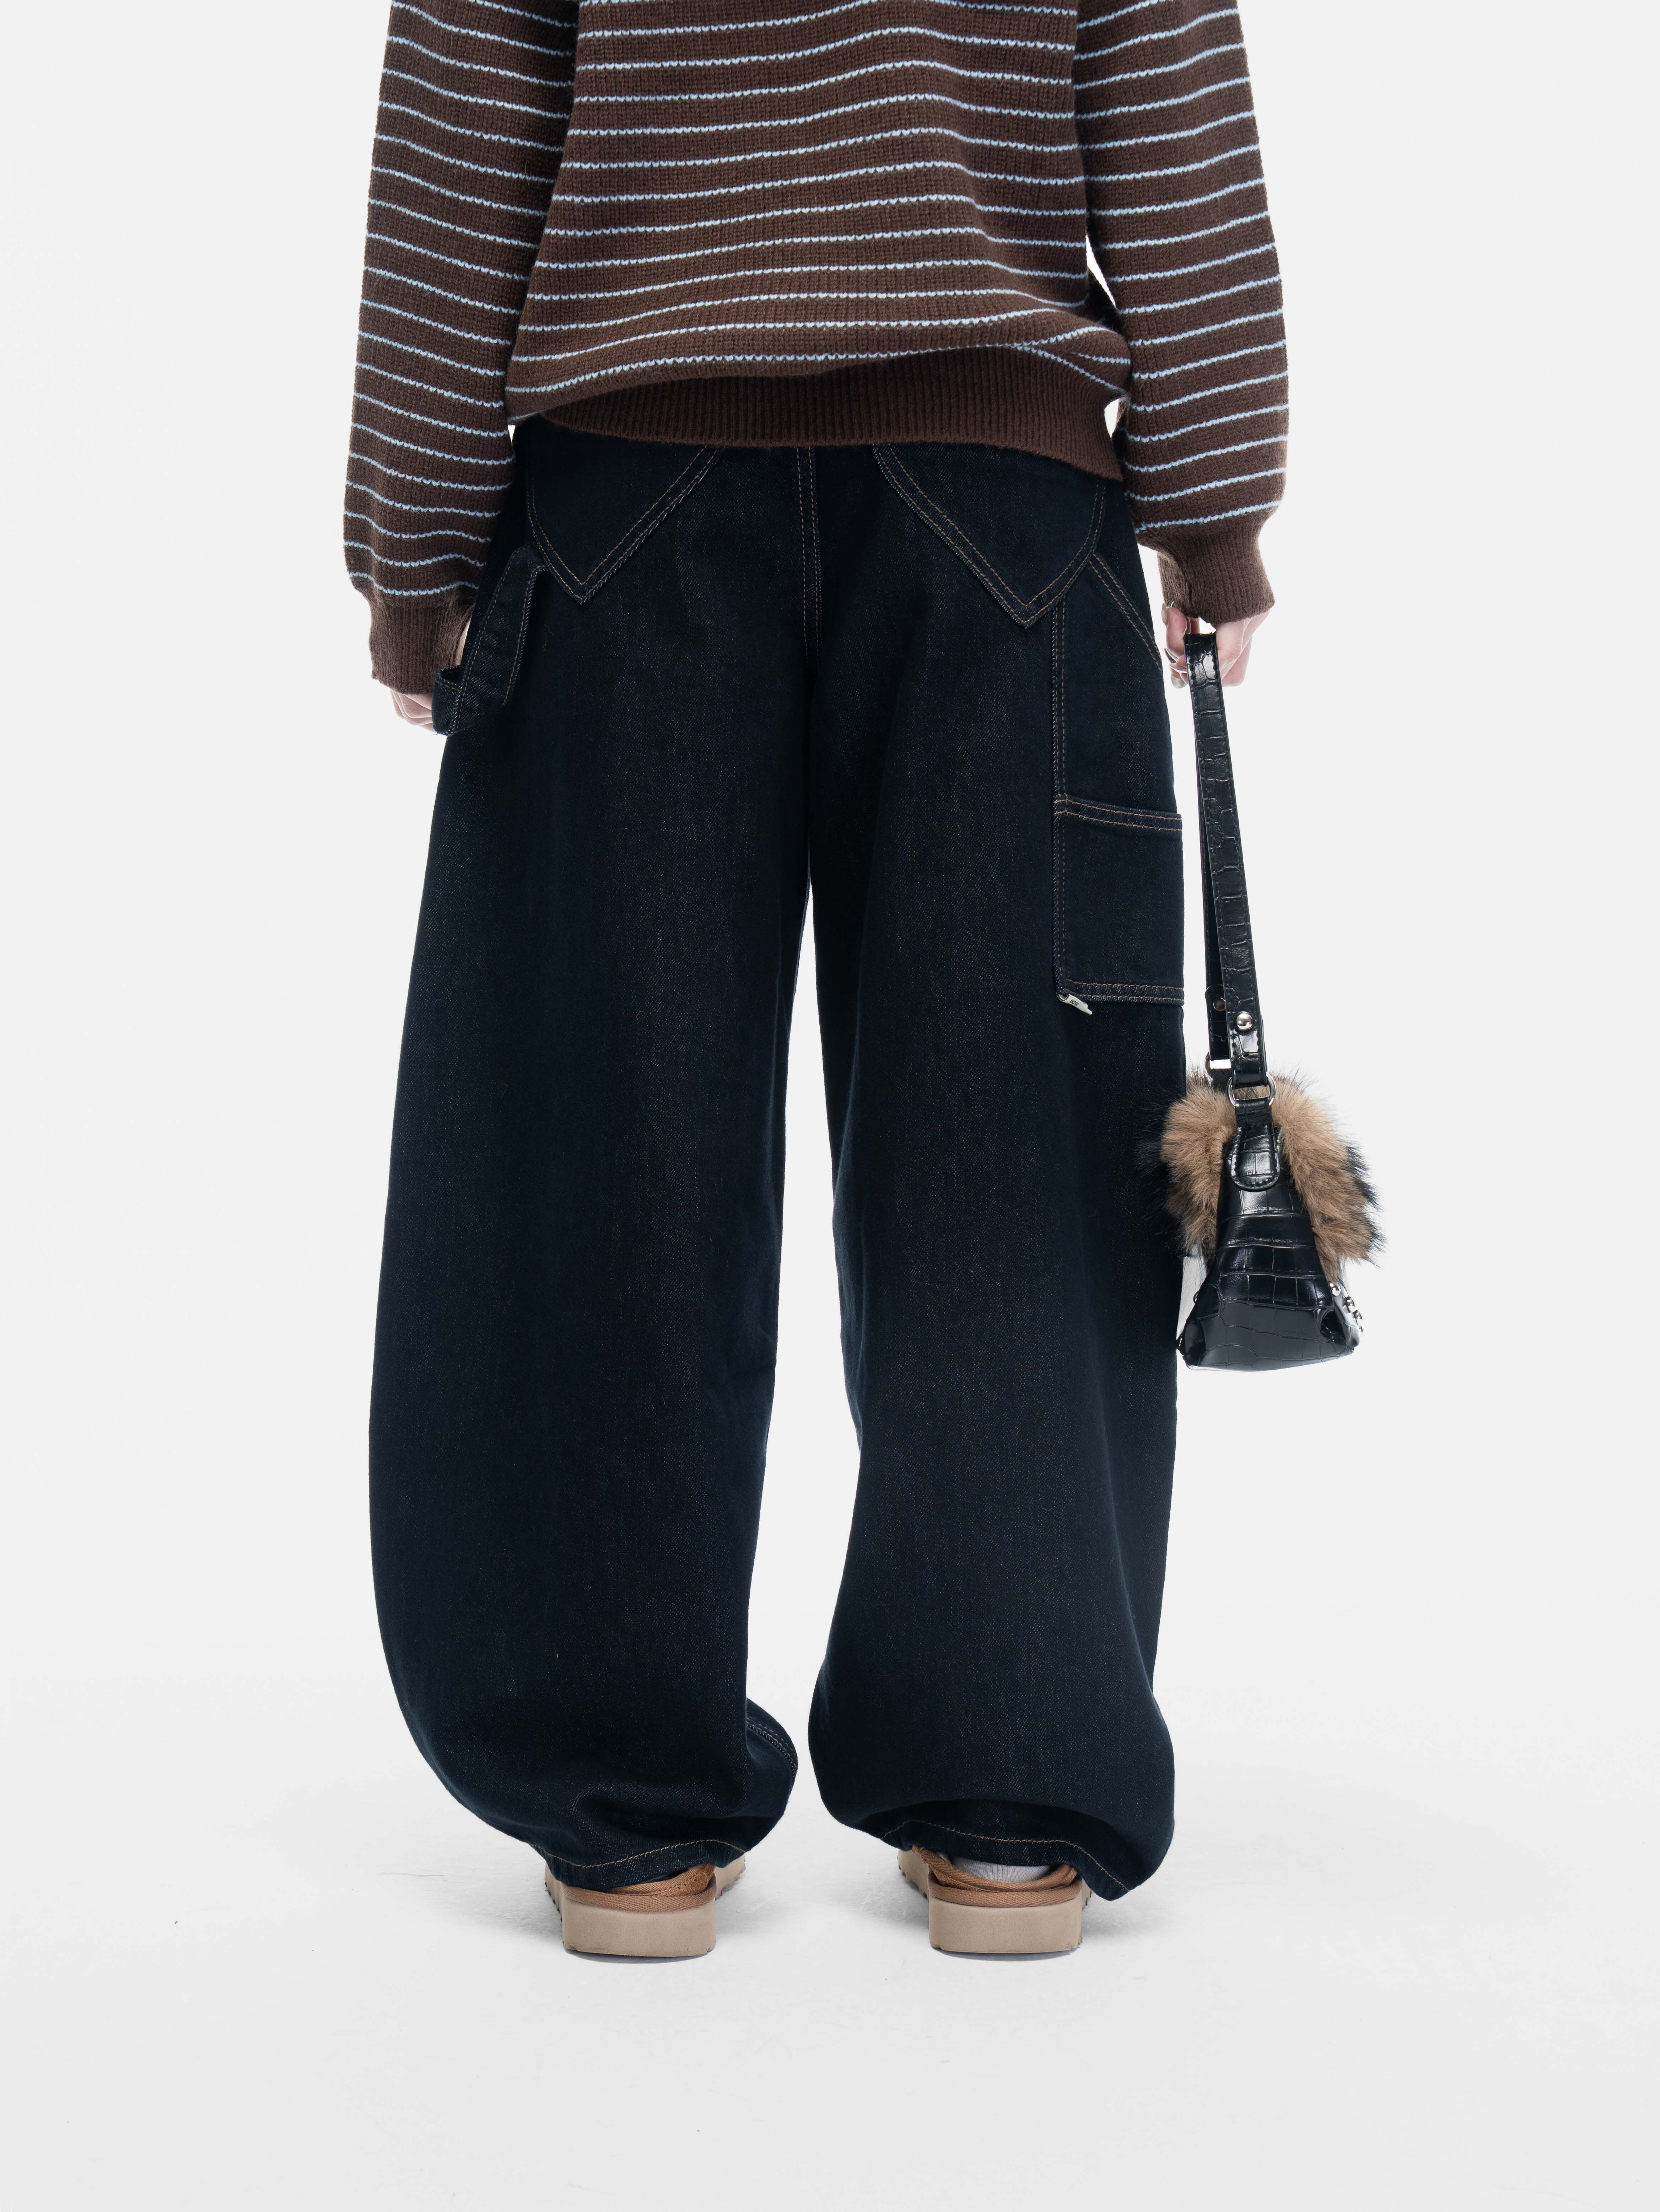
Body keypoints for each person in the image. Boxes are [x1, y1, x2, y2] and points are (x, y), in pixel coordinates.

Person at [345, 0, 1285, 1959]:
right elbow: (1165, 80)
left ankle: (621, 1819)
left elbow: (470, 93)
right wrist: (1211, 503)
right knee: (1012, 1157)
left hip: (621, 494)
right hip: (1002, 501)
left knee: (597, 1145)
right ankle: (1012, 1802)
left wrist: (416, 541)